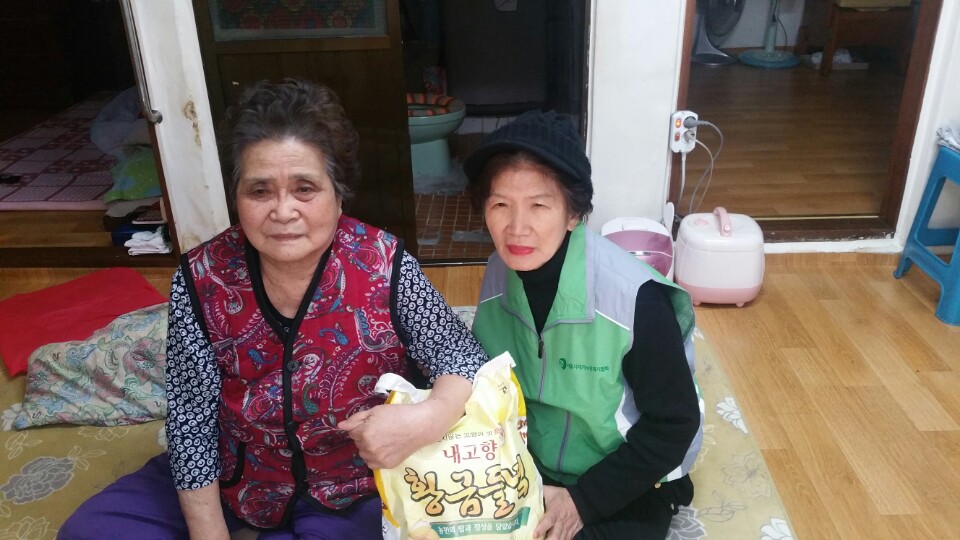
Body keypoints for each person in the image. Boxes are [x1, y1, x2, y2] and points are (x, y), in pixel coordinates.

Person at [59, 79, 487, 539]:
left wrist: (429, 417)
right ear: (237, 197)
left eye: (305, 188)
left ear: (339, 193)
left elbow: (460, 356)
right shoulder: (202, 277)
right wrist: (209, 532)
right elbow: (192, 418)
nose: (283, 211)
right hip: (238, 475)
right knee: (89, 532)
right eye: (260, 191)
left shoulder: (384, 263)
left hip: (352, 486)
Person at [463, 110, 703, 540]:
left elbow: (674, 424)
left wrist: (582, 502)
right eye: (500, 205)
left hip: (625, 477)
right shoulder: (499, 271)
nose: (517, 228)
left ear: (573, 214)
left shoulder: (635, 299)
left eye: (539, 205)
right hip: (532, 463)